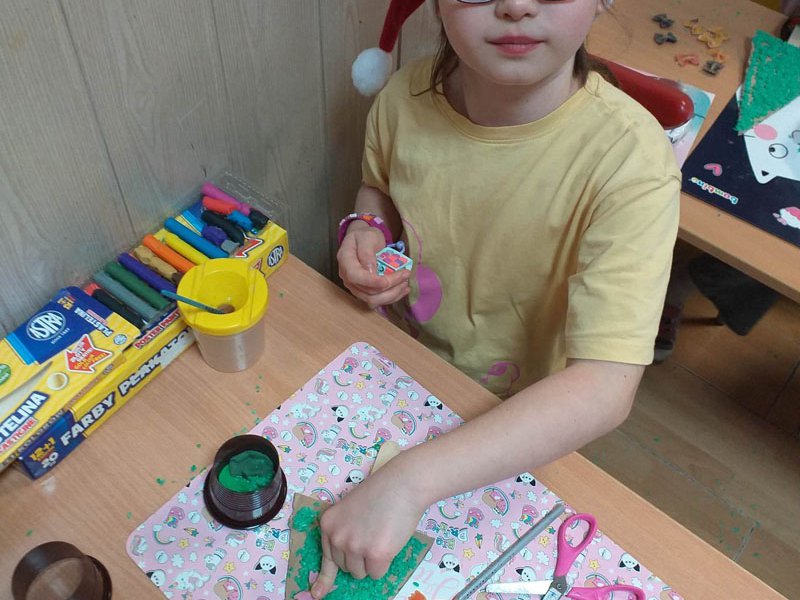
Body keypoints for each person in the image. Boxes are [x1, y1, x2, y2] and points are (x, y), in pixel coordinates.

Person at [315, 0, 680, 597]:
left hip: (516, 416)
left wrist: (409, 481)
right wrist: (368, 229)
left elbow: (605, 384)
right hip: (402, 369)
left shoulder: (631, 164)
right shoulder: (402, 98)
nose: (515, 5)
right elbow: (379, 187)